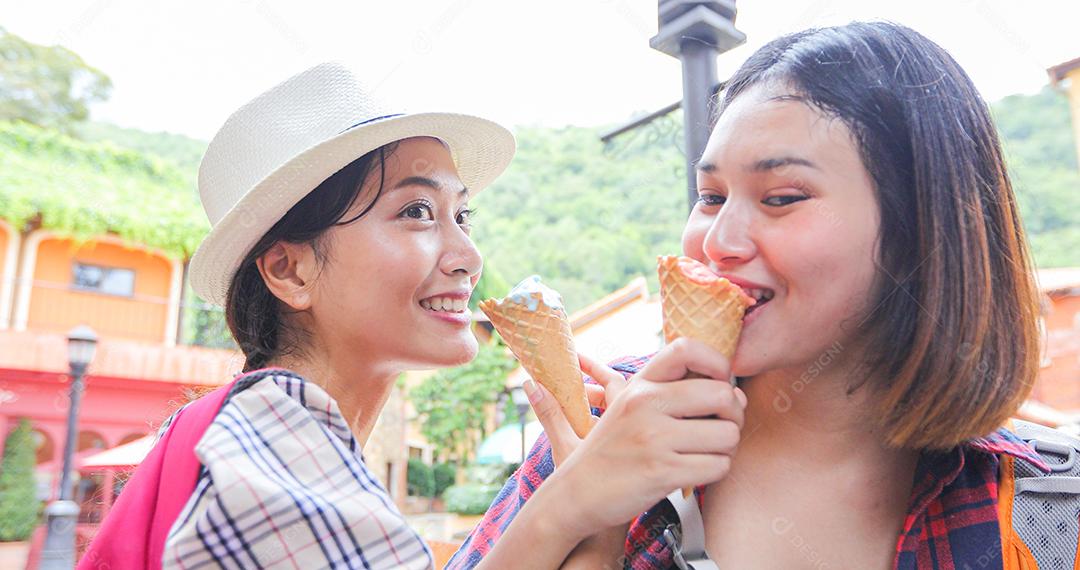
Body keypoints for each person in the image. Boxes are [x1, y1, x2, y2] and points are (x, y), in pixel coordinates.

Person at [451, 22, 1072, 569]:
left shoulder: (1047, 506)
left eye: (780, 198)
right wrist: (576, 506)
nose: (718, 242)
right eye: (711, 196)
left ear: (921, 230)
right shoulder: (600, 427)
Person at [79, 62, 747, 570]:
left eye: (462, 215)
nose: (467, 256)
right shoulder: (273, 436)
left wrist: (596, 514)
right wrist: (576, 498)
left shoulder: (272, 440)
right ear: (289, 270)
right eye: (416, 212)